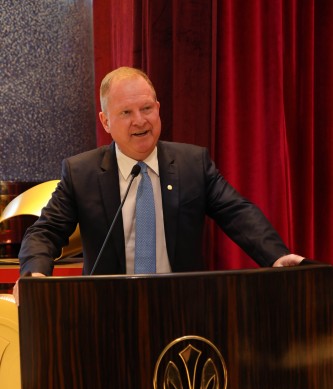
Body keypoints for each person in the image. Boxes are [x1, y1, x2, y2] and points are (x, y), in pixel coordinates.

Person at [16, 66, 304, 297]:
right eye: (126, 113)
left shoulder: (192, 163)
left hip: (183, 307)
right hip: (107, 311)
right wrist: (35, 276)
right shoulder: (82, 172)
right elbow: (46, 232)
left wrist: (276, 256)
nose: (140, 121)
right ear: (105, 122)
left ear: (158, 108)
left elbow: (238, 213)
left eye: (146, 109)